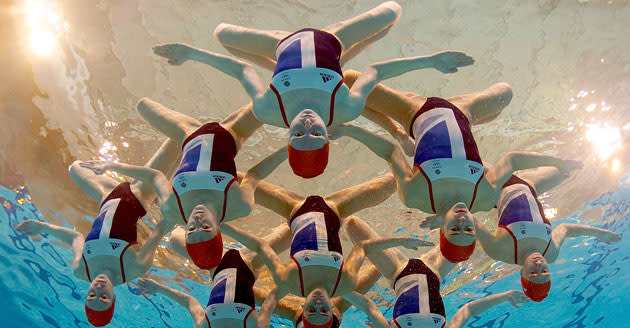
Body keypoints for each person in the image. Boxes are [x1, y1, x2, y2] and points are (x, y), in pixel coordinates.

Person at [153, 1, 474, 178]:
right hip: (333, 38)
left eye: (298, 135)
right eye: (316, 135)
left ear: (288, 138)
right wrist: (433, 60)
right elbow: (376, 72)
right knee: (392, 12)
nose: (307, 126)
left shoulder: (269, 110)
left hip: (280, 44)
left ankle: (289, 65)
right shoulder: (344, 109)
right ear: (329, 133)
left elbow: (241, 69)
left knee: (221, 34)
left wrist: (191, 53)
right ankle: (339, 56)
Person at [336, 72, 580, 262]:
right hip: (464, 112)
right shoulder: (484, 199)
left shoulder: (415, 196)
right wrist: (556, 162)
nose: (463, 220)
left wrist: (363, 131)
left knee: (349, 82)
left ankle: (403, 126)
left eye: (455, 228)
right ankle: (475, 114)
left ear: (443, 228)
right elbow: (512, 161)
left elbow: (389, 153)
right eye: (469, 229)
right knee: (505, 94)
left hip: (417, 110)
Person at [219, 173, 420, 328]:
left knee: (235, 177)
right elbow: (362, 249)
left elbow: (262, 248)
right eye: (324, 312)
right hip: (336, 208)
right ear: (331, 309)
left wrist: (224, 227)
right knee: (393, 182)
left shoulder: (289, 282)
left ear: (303, 307)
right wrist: (401, 241)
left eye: (311, 311)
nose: (317, 306)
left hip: (293, 209)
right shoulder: (344, 284)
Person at [341, 215, 529, 328]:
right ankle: (446, 217)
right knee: (465, 234)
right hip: (435, 269)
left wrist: (335, 290)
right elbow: (469, 309)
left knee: (351, 225)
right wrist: (505, 296)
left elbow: (368, 306)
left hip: (397, 270)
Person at [15, 134, 182, 327]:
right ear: (113, 299)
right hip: (137, 196)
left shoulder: (81, 269)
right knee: (174, 142)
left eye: (92, 295)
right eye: (103, 297)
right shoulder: (133, 268)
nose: (99, 288)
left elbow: (76, 237)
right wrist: (169, 204)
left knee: (75, 168)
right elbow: (159, 231)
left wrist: (42, 226)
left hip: (106, 196)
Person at [101, 98, 288, 270]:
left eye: (191, 229)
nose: (197, 222)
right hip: (231, 132)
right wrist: (288, 148)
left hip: (187, 133)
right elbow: (254, 174)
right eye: (205, 228)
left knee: (142, 105)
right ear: (217, 230)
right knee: (271, 100)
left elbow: (156, 176)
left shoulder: (174, 209)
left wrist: (112, 166)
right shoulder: (238, 205)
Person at [136, 223, 292, 328]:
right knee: (289, 233)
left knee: (175, 241)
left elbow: (189, 302)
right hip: (249, 261)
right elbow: (273, 296)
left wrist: (159, 287)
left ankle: (183, 216)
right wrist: (297, 279)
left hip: (215, 264)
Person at [472, 168, 621, 302]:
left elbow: (471, 220)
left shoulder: (501, 251)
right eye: (544, 271)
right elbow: (566, 228)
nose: (539, 265)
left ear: (522, 273)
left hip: (499, 185)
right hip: (531, 186)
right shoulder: (550, 253)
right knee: (572, 168)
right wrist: (600, 233)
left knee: (473, 159)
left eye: (533, 273)